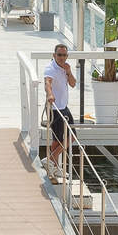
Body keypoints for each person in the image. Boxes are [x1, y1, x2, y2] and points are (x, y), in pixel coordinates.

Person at [42, 44, 76, 174]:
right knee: (61, 138)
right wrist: (50, 94)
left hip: (63, 107)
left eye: (64, 55)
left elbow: (73, 84)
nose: (62, 58)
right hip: (55, 108)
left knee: (67, 137)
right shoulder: (50, 68)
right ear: (54, 55)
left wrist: (68, 72)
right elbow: (48, 83)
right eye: (59, 55)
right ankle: (52, 163)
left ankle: (51, 163)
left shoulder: (65, 68)